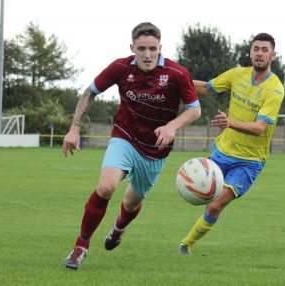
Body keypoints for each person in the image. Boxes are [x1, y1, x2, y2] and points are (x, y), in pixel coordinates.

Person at [63, 22, 201, 270]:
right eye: (142, 49)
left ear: (160, 47)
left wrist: (172, 127)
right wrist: (74, 127)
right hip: (124, 136)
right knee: (106, 187)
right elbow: (89, 92)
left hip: (156, 149)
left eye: (152, 49)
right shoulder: (120, 67)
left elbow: (195, 110)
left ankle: (118, 229)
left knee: (131, 204)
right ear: (132, 48)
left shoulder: (177, 74)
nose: (148, 54)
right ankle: (80, 246)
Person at [178, 33, 284, 255]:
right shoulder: (237, 75)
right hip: (223, 152)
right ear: (250, 52)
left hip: (250, 161)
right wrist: (177, 81)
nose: (259, 53)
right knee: (202, 195)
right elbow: (207, 88)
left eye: (265, 50)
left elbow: (259, 128)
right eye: (256, 48)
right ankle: (187, 243)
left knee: (216, 204)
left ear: (273, 55)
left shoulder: (275, 90)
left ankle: (186, 244)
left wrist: (229, 122)